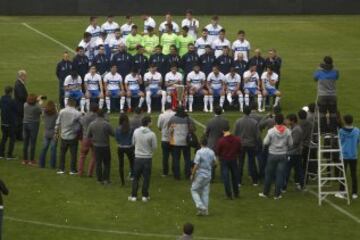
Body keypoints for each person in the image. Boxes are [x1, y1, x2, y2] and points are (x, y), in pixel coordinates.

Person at [259, 114, 293, 199]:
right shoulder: (288, 131)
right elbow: (291, 144)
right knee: (280, 175)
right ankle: (277, 194)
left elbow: (265, 142)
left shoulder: (271, 131)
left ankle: (265, 193)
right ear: (283, 121)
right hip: (283, 154)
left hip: (272, 154)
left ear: (275, 121)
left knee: (269, 174)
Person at [129, 116, 157, 202]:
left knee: (136, 177)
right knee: (146, 178)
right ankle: (145, 196)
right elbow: (154, 147)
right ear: (148, 123)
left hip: (138, 157)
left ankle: (134, 196)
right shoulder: (152, 134)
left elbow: (133, 142)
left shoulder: (136, 131)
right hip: (147, 158)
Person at [55, 98, 82, 175]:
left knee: (62, 153)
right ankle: (72, 170)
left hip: (63, 135)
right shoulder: (77, 113)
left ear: (67, 103)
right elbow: (82, 123)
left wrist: (56, 132)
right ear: (74, 104)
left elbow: (57, 122)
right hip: (73, 135)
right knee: (73, 154)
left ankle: (61, 169)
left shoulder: (62, 111)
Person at [234, 106, 260, 186]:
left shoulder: (238, 121)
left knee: (240, 163)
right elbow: (257, 135)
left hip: (241, 144)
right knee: (252, 162)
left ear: (243, 112)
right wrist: (256, 143)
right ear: (250, 112)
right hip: (251, 144)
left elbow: (235, 134)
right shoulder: (254, 122)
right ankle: (255, 181)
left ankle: (238, 181)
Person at [190, 136, 216, 216]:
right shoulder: (211, 152)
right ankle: (205, 211)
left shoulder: (199, 152)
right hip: (208, 175)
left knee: (193, 190)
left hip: (200, 175)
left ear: (200, 143)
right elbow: (215, 163)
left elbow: (196, 165)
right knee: (205, 192)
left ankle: (200, 205)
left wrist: (192, 174)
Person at [87, 109, 114, 184]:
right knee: (107, 163)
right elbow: (113, 134)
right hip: (105, 146)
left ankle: (99, 179)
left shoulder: (92, 124)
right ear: (103, 115)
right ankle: (106, 179)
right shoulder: (106, 124)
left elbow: (88, 135)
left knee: (98, 163)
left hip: (96, 146)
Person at [336, 114, 359, 200]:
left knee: (342, 174)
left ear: (345, 121)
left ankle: (342, 192)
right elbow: (357, 141)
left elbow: (339, 141)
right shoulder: (357, 131)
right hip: (353, 155)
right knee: (353, 174)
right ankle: (354, 193)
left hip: (343, 156)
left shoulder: (341, 131)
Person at [314, 56, 339, 134]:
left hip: (322, 95)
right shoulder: (335, 71)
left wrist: (319, 68)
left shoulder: (319, 72)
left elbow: (315, 78)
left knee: (322, 114)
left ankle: (323, 130)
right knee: (333, 114)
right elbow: (337, 77)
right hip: (332, 95)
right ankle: (333, 129)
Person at [169, 107, 195, 179]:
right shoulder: (188, 118)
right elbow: (193, 129)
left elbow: (170, 130)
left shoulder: (173, 118)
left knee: (176, 159)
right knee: (187, 159)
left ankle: (177, 175)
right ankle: (187, 174)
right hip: (186, 142)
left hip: (176, 142)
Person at [216, 124, 241, 199]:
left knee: (226, 178)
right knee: (234, 177)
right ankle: (236, 193)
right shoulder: (237, 139)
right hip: (233, 159)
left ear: (223, 130)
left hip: (224, 160)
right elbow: (239, 149)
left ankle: (229, 194)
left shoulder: (221, 140)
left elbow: (218, 151)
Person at [284, 114, 304, 191]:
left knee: (288, 170)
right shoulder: (293, 128)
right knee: (297, 170)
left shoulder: (297, 130)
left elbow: (294, 143)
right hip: (294, 153)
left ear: (292, 121)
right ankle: (300, 185)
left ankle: (284, 187)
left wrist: (286, 147)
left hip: (293, 154)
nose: (286, 121)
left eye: (287, 120)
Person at [78, 102, 98, 177]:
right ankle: (90, 173)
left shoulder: (86, 116)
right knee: (94, 156)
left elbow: (80, 122)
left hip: (86, 137)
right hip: (95, 138)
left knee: (82, 155)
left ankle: (80, 172)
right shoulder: (97, 117)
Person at [22, 94, 42, 165]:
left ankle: (24, 159)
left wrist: (36, 101)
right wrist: (39, 102)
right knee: (32, 142)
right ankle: (32, 160)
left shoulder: (25, 104)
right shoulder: (37, 106)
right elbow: (41, 112)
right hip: (33, 124)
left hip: (25, 124)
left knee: (25, 142)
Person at [115, 114, 135, 185]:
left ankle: (122, 181)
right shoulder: (131, 128)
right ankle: (132, 176)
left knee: (121, 164)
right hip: (129, 147)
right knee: (132, 163)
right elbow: (133, 138)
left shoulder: (117, 128)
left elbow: (116, 139)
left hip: (120, 147)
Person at [157, 102, 176, 176]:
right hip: (173, 138)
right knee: (174, 156)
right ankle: (175, 171)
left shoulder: (162, 115)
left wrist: (162, 130)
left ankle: (165, 172)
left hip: (165, 138)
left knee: (165, 157)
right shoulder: (175, 114)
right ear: (171, 107)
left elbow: (159, 126)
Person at [38, 101, 58, 169]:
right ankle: (52, 165)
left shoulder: (44, 113)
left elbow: (41, 110)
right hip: (53, 133)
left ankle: (41, 164)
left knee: (44, 149)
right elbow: (58, 121)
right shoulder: (55, 114)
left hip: (46, 132)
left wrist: (42, 104)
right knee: (53, 150)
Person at [0, 87, 17, 160]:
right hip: (10, 123)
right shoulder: (12, 101)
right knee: (12, 139)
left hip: (3, 122)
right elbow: (16, 111)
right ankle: (9, 155)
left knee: (4, 138)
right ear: (10, 92)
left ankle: (1, 154)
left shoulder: (2, 99)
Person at [298, 109, 314, 176]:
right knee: (306, 162)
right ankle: (306, 177)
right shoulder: (310, 124)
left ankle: (299, 177)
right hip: (307, 145)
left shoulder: (298, 124)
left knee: (299, 162)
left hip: (300, 146)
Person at [14, 70, 28, 141]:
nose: (26, 77)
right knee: (19, 122)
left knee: (19, 121)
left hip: (19, 105)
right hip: (19, 106)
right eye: (25, 76)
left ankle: (18, 136)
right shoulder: (19, 84)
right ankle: (18, 136)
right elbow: (21, 96)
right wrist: (28, 99)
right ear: (21, 76)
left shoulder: (19, 83)